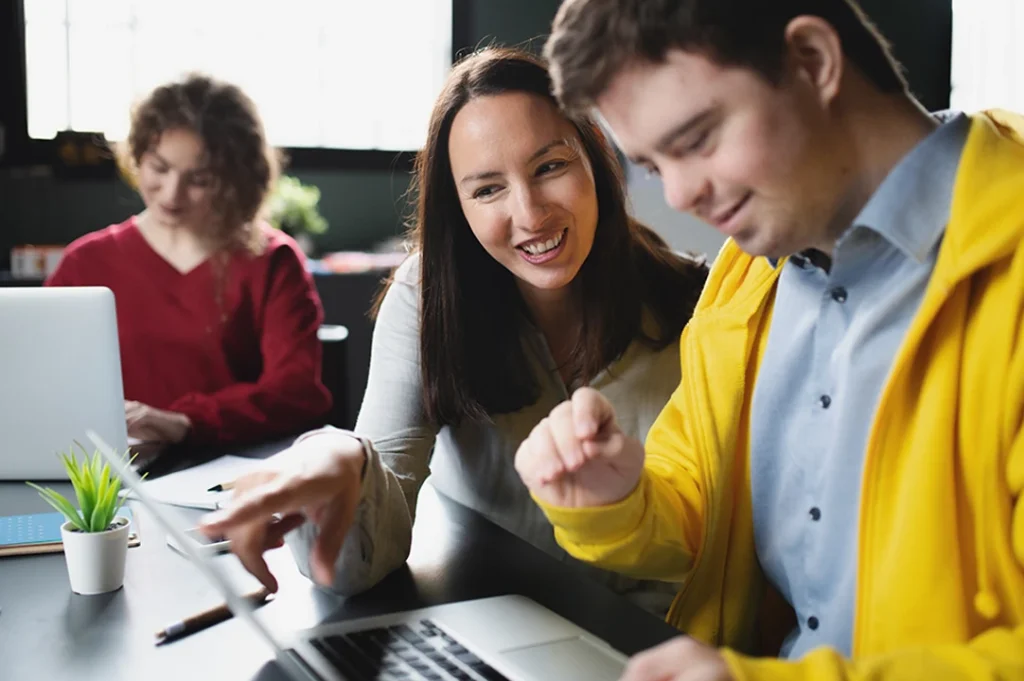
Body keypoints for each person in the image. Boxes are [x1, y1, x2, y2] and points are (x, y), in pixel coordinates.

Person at [511, 1, 1024, 680]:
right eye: (655, 166)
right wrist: (616, 497)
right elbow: (700, 501)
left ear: (813, 61)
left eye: (696, 139)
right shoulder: (750, 269)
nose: (685, 193)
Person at [199, 47, 708, 616]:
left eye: (549, 167)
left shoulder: (699, 301)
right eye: (488, 189)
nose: (531, 214)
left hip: (669, 645)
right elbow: (358, 561)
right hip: (503, 627)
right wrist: (340, 457)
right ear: (458, 207)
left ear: (595, 158)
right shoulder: (427, 297)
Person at [46, 74, 332, 447]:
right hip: (107, 474)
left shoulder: (272, 260)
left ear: (235, 180)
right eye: (159, 168)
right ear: (137, 157)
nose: (171, 194)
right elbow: (44, 383)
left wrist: (185, 422)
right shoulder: (84, 263)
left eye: (199, 179)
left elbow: (295, 392)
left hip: (232, 474)